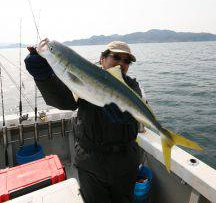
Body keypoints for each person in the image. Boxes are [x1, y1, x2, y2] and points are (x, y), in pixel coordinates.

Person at [24, 40, 145, 203]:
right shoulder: (85, 76)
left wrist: (128, 118)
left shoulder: (132, 86)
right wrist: (44, 78)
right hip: (90, 160)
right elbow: (64, 101)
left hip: (124, 161)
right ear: (102, 59)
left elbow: (139, 117)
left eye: (127, 61)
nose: (121, 63)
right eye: (116, 57)